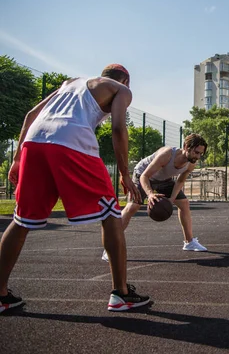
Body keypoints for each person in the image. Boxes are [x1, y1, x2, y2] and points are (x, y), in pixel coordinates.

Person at [0, 64, 150, 313]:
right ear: (127, 80)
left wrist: (17, 159)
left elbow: (30, 115)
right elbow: (118, 129)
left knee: (22, 218)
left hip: (34, 143)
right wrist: (125, 174)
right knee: (111, 214)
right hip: (71, 142)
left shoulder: (71, 83)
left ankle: (1, 295)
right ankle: (121, 294)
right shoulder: (120, 89)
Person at [101, 133, 208, 261]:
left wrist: (171, 199)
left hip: (164, 179)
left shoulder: (191, 163)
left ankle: (189, 242)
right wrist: (150, 194)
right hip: (143, 175)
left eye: (201, 154)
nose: (198, 157)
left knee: (184, 204)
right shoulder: (167, 155)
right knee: (133, 207)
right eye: (196, 152)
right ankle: (110, 248)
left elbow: (180, 182)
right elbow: (144, 177)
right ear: (186, 147)